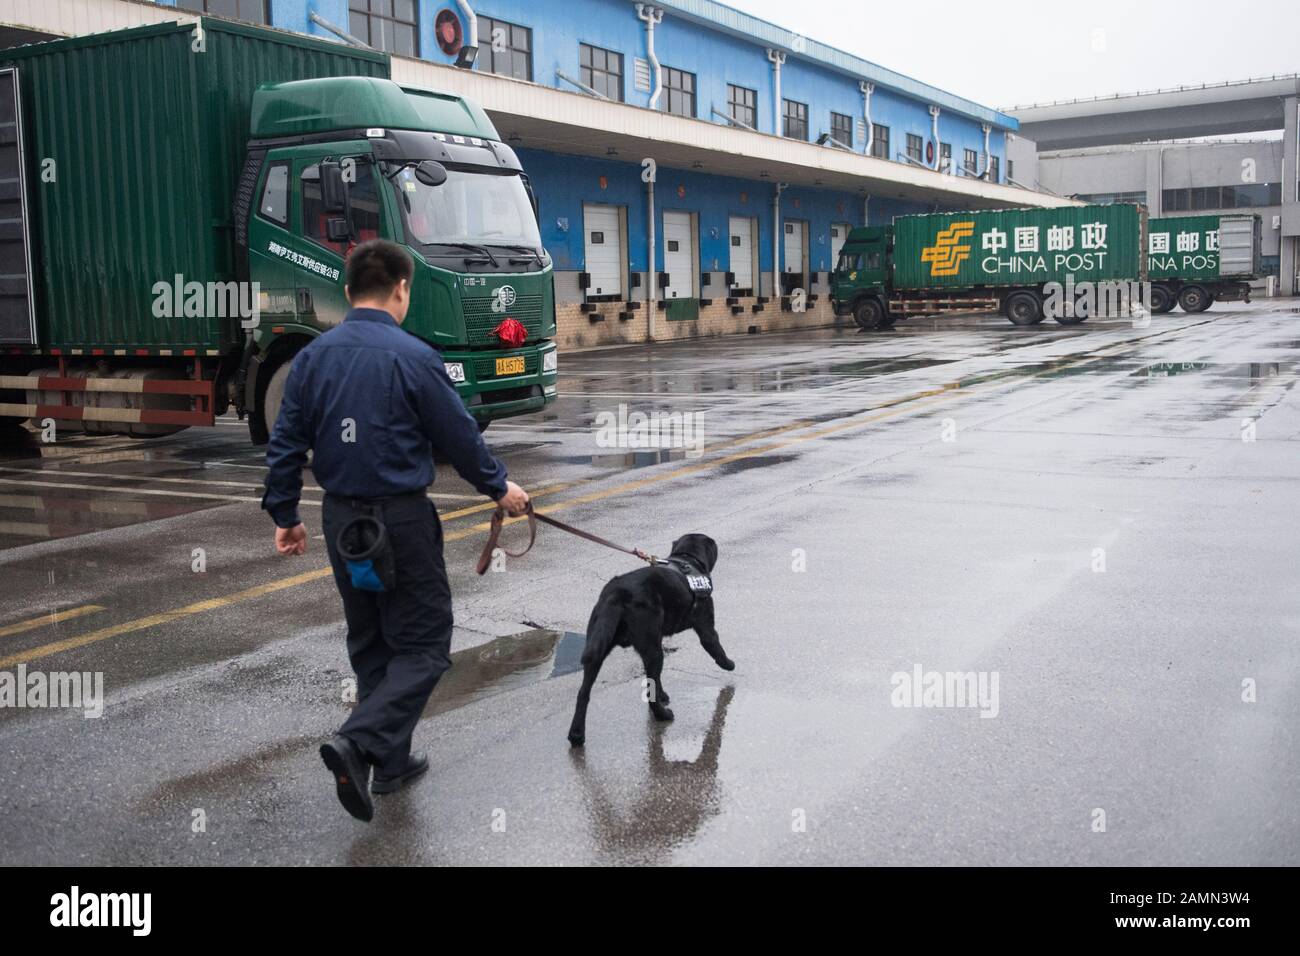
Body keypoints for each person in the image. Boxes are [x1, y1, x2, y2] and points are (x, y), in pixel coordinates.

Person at [262, 239, 529, 822]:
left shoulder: (311, 358)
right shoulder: (414, 356)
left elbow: (285, 442)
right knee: (427, 646)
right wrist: (499, 488)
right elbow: (459, 436)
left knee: (371, 641)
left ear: (350, 290)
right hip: (401, 520)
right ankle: (358, 743)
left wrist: (285, 515)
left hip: (340, 521)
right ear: (402, 288)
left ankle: (392, 763)